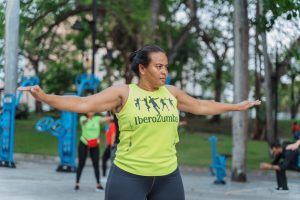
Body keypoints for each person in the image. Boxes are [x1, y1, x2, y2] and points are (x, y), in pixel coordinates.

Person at [18, 44, 260, 200]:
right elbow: (83, 104)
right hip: (129, 177)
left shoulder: (171, 93)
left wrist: (236, 106)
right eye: (158, 66)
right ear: (142, 69)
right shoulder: (123, 93)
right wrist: (45, 97)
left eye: (166, 66)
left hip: (168, 177)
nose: (164, 71)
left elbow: (200, 106)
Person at [75, 112, 110, 192]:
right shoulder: (83, 119)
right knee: (81, 163)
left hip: (94, 144)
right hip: (84, 143)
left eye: (93, 110)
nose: (92, 112)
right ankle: (77, 183)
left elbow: (107, 119)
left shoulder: (97, 119)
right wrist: (88, 120)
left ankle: (98, 184)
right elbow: (83, 122)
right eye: (90, 111)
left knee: (96, 164)